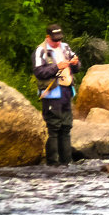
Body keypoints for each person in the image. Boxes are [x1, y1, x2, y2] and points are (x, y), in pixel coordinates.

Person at [32, 23, 81, 166]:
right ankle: (52, 164)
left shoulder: (65, 47)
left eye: (59, 38)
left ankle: (67, 163)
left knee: (66, 127)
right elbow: (39, 72)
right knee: (53, 128)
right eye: (55, 39)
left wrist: (75, 63)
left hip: (66, 92)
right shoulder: (40, 51)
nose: (57, 42)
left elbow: (77, 68)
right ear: (48, 37)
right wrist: (57, 67)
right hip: (51, 94)